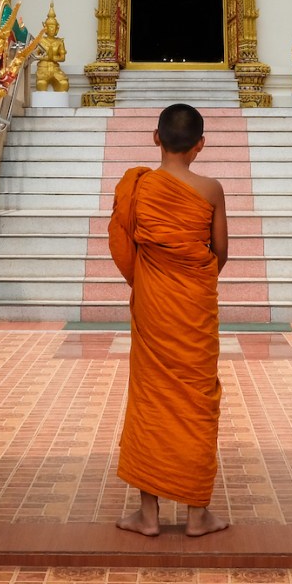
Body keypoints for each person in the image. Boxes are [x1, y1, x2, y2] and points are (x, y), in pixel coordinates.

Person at [108, 103, 230, 537]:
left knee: (151, 399)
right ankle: (197, 514)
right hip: (193, 307)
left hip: (155, 304)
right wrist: (193, 279)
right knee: (197, 401)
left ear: (156, 138)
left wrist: (155, 276)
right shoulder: (212, 189)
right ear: (201, 144)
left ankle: (148, 515)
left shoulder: (139, 187)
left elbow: (123, 245)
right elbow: (220, 252)